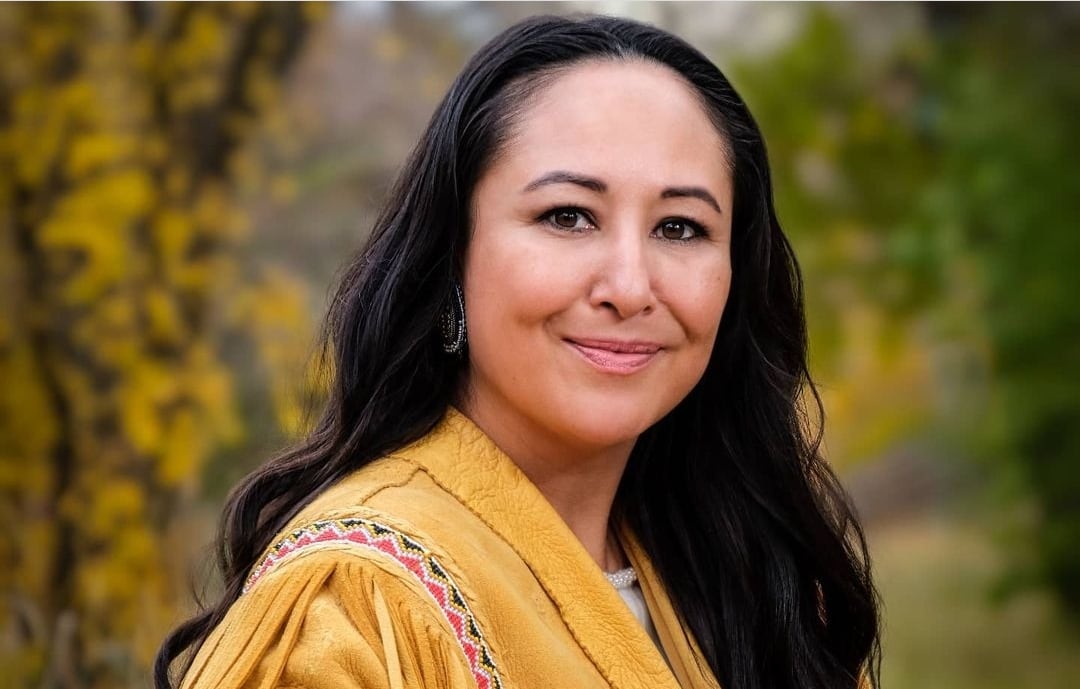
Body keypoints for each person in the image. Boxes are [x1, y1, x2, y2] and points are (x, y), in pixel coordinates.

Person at [156, 14, 881, 689]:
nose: (630, 286)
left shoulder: (729, 574)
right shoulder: (352, 604)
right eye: (568, 216)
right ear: (450, 258)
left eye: (681, 227)